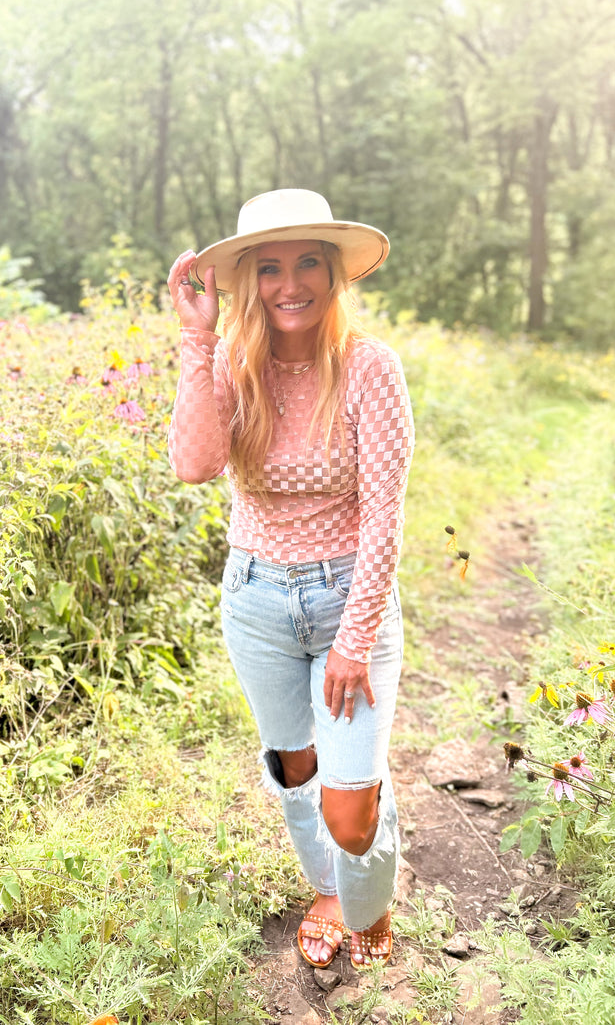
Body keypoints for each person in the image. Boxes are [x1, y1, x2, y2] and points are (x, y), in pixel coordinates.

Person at [167, 189, 414, 970]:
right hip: (257, 600)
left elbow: (384, 514)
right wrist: (193, 337)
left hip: (351, 600)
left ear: (334, 273)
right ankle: (338, 894)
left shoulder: (370, 367)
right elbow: (195, 465)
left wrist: (354, 637)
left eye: (308, 260)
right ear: (248, 281)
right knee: (295, 769)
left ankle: (370, 897)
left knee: (349, 811)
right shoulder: (235, 365)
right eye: (268, 267)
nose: (289, 282)